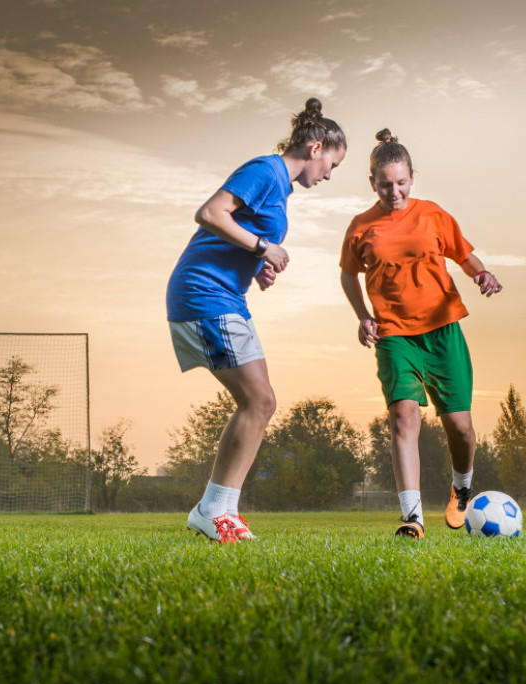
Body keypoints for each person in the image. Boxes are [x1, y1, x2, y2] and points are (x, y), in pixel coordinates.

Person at [167, 98, 347, 544]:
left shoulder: (279, 189)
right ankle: (211, 510)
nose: (328, 175)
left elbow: (241, 234)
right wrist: (261, 248)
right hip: (204, 293)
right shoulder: (265, 170)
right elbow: (210, 213)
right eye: (331, 164)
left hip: (225, 294)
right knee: (259, 401)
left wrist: (258, 263)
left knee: (260, 402)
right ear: (315, 147)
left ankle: (223, 509)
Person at [340, 128, 502, 538]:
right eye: (384, 185)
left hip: (443, 330)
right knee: (403, 416)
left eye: (400, 183)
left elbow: (463, 256)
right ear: (371, 183)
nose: (393, 192)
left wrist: (481, 273)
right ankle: (412, 516)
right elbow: (347, 274)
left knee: (460, 428)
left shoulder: (433, 215)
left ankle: (461, 488)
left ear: (412, 176)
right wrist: (363, 315)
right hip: (394, 334)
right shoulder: (361, 227)